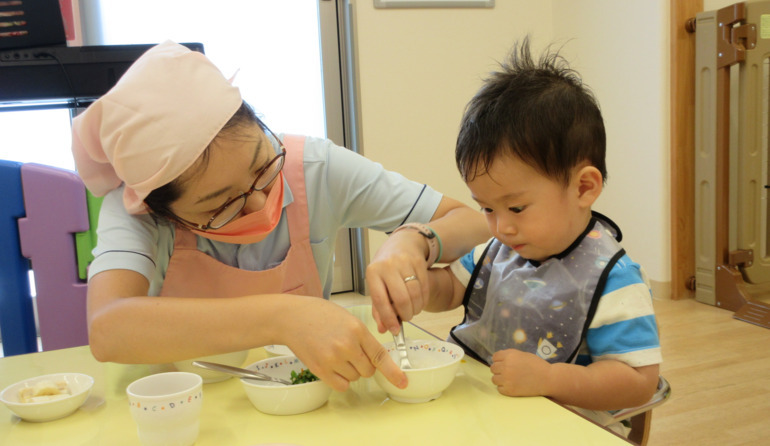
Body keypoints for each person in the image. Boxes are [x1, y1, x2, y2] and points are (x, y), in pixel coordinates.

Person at [71, 40, 490, 392]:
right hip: (190, 408)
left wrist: (413, 239)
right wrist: (283, 317)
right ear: (163, 210)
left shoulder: (313, 168)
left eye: (261, 166)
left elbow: (471, 224)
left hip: (309, 401)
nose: (258, 204)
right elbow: (108, 330)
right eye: (221, 205)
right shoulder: (137, 211)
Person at [403, 38, 661, 433]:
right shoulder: (499, 248)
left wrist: (551, 379)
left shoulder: (613, 280)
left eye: (516, 208)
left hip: (565, 426)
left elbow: (639, 382)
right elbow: (452, 289)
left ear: (583, 188)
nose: (500, 227)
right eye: (487, 208)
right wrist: (416, 288)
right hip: (487, 410)